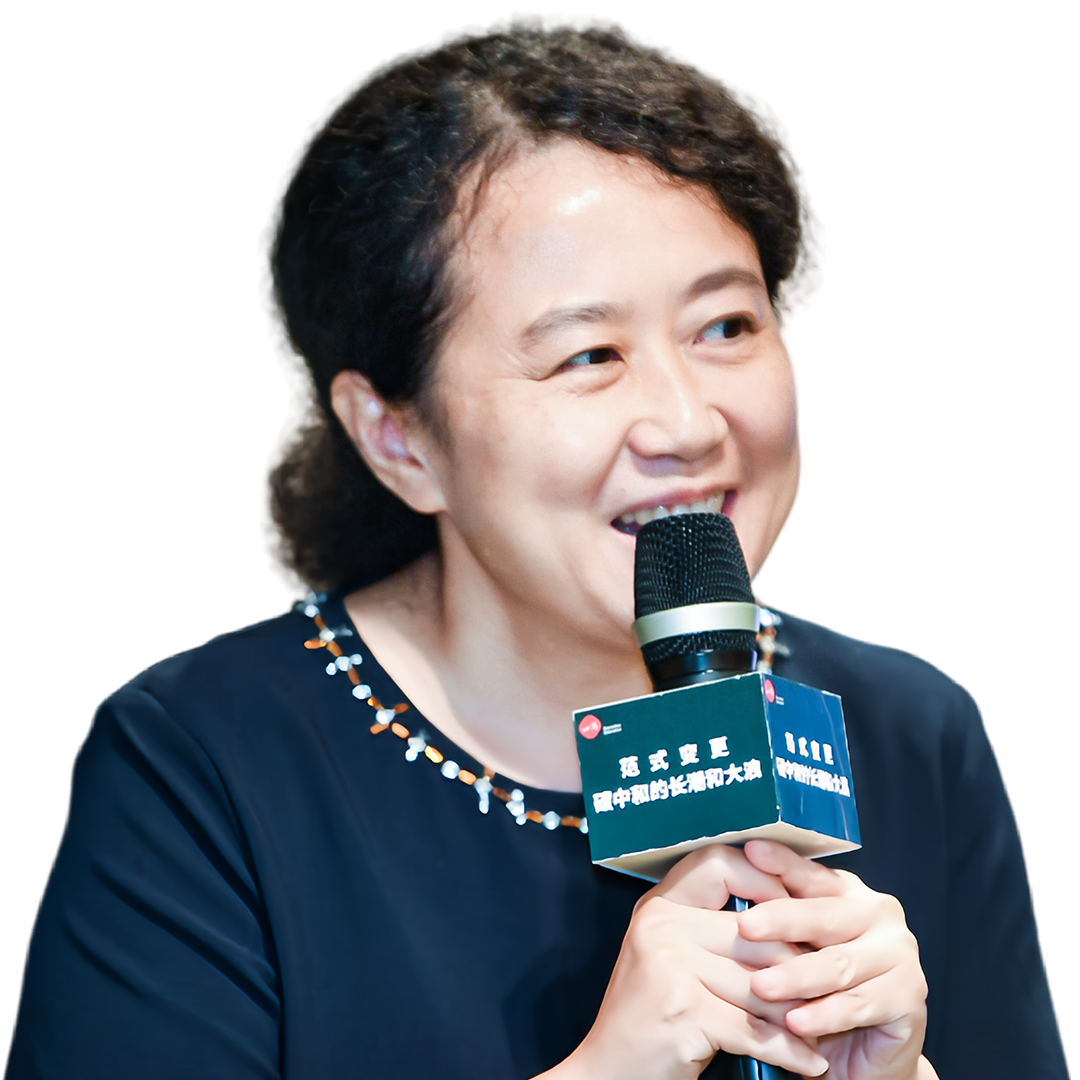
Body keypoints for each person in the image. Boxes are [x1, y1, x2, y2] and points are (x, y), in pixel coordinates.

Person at [5, 29, 1065, 1080]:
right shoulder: (206, 762)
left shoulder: (909, 735)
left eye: (726, 328)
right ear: (398, 439)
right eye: (589, 354)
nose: (687, 422)